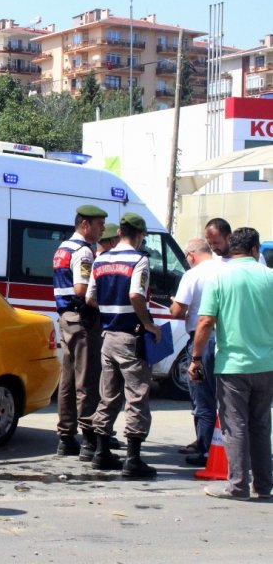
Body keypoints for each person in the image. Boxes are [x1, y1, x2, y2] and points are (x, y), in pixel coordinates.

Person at [190, 227, 273, 501]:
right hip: (266, 364)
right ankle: (262, 485)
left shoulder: (219, 278)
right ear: (255, 250)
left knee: (235, 425)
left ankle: (238, 485)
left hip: (233, 366)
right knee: (261, 425)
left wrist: (196, 358)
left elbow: (204, 322)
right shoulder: (270, 276)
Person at [86, 212, 162, 479]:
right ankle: (133, 459)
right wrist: (148, 323)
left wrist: (110, 311)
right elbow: (136, 294)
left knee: (108, 395)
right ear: (140, 236)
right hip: (131, 336)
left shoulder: (101, 260)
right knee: (137, 395)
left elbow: (90, 297)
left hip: (108, 336)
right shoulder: (139, 260)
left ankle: (101, 452)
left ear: (119, 232)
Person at [52, 205, 106, 459]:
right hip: (82, 318)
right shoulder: (83, 252)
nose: (103, 229)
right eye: (99, 224)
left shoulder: (63, 247)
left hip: (66, 318)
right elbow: (81, 289)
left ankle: (66, 436)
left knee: (68, 379)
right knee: (87, 379)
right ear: (85, 225)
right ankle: (88, 438)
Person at [168, 239, 223, 467]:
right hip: (224, 340)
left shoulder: (192, 275)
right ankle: (216, 445)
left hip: (202, 342)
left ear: (190, 256)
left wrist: (173, 304)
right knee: (221, 395)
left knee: (201, 395)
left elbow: (177, 311)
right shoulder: (224, 269)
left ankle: (204, 449)